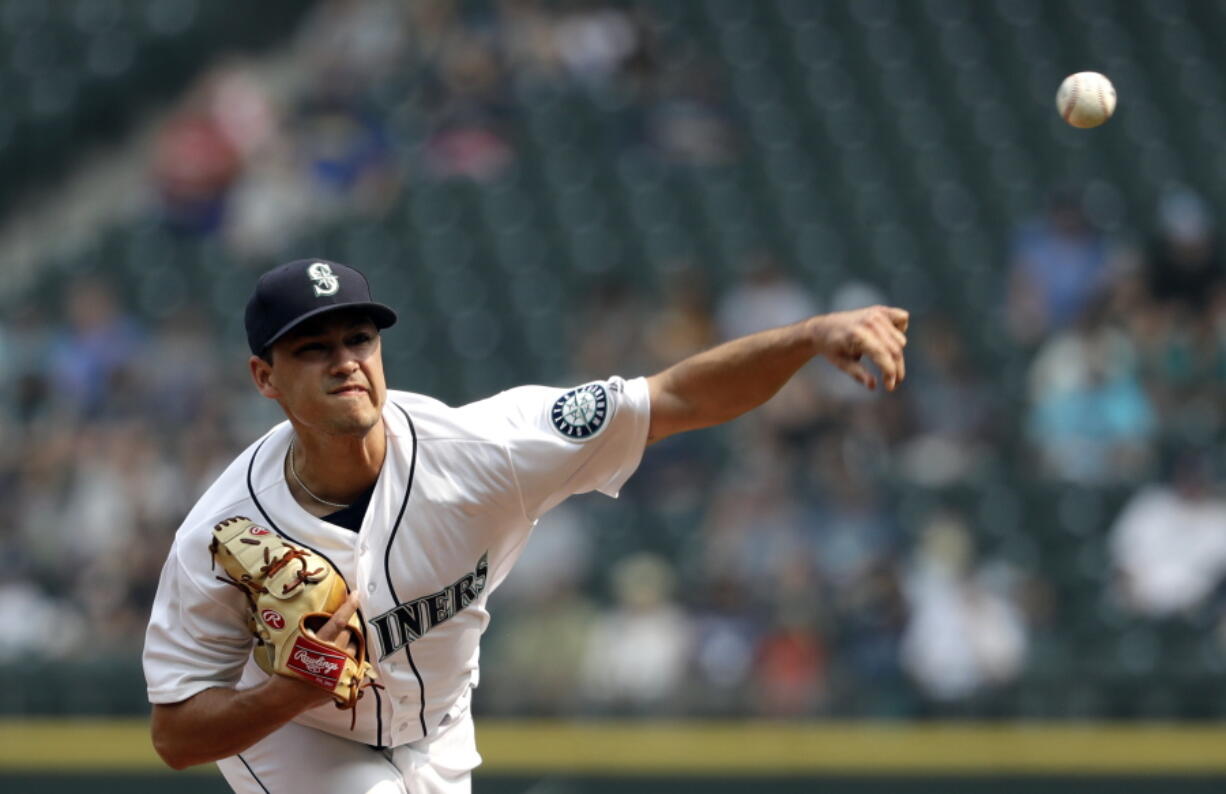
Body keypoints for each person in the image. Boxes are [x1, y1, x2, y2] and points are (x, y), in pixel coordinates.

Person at [143, 258, 909, 793]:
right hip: (298, 742)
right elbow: (175, 736)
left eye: (360, 339)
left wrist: (808, 337)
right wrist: (286, 693)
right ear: (264, 377)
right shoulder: (221, 535)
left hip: (438, 727)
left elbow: (676, 398)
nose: (346, 361)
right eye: (314, 349)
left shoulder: (486, 451)